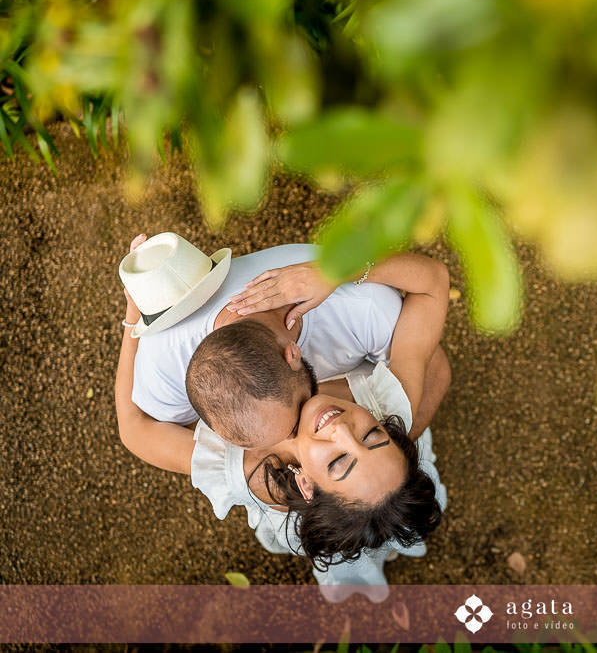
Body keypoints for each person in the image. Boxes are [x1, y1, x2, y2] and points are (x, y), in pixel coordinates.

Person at [114, 234, 450, 593]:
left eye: (339, 461)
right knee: (349, 549)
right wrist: (335, 272)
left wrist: (134, 321)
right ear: (303, 485)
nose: (342, 430)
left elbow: (134, 429)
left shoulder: (241, 466)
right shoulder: (389, 402)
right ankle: (356, 579)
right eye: (373, 437)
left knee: (391, 513)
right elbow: (433, 294)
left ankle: (396, 532)